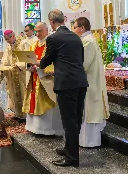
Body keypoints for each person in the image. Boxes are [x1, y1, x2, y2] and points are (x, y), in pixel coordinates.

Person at [38, 9, 88, 167]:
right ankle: (69, 149)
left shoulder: (53, 38)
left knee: (69, 122)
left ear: (52, 22)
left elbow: (46, 61)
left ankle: (72, 158)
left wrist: (34, 63)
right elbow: (80, 59)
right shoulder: (76, 36)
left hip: (66, 85)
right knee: (76, 119)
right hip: (80, 82)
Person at [72, 18, 109, 147]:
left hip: (89, 81)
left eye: (75, 27)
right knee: (87, 109)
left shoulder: (87, 42)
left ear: (82, 28)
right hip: (88, 80)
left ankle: (89, 142)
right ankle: (84, 140)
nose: (73, 30)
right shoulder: (87, 40)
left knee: (89, 109)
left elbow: (83, 64)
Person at [24, 22, 63, 136]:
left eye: (40, 31)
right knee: (33, 102)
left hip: (46, 79)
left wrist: (40, 68)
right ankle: (34, 127)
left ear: (47, 30)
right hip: (34, 77)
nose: (37, 33)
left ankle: (46, 129)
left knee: (46, 103)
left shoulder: (51, 43)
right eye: (36, 31)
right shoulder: (33, 45)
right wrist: (29, 67)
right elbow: (29, 60)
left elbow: (53, 61)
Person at [0, 29, 27, 119]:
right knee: (14, 94)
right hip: (12, 74)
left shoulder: (23, 43)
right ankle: (18, 114)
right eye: (6, 40)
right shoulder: (9, 46)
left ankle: (26, 115)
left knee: (24, 94)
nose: (7, 42)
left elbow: (28, 59)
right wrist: (4, 66)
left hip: (22, 74)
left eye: (8, 39)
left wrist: (18, 65)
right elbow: (5, 59)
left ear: (13, 36)